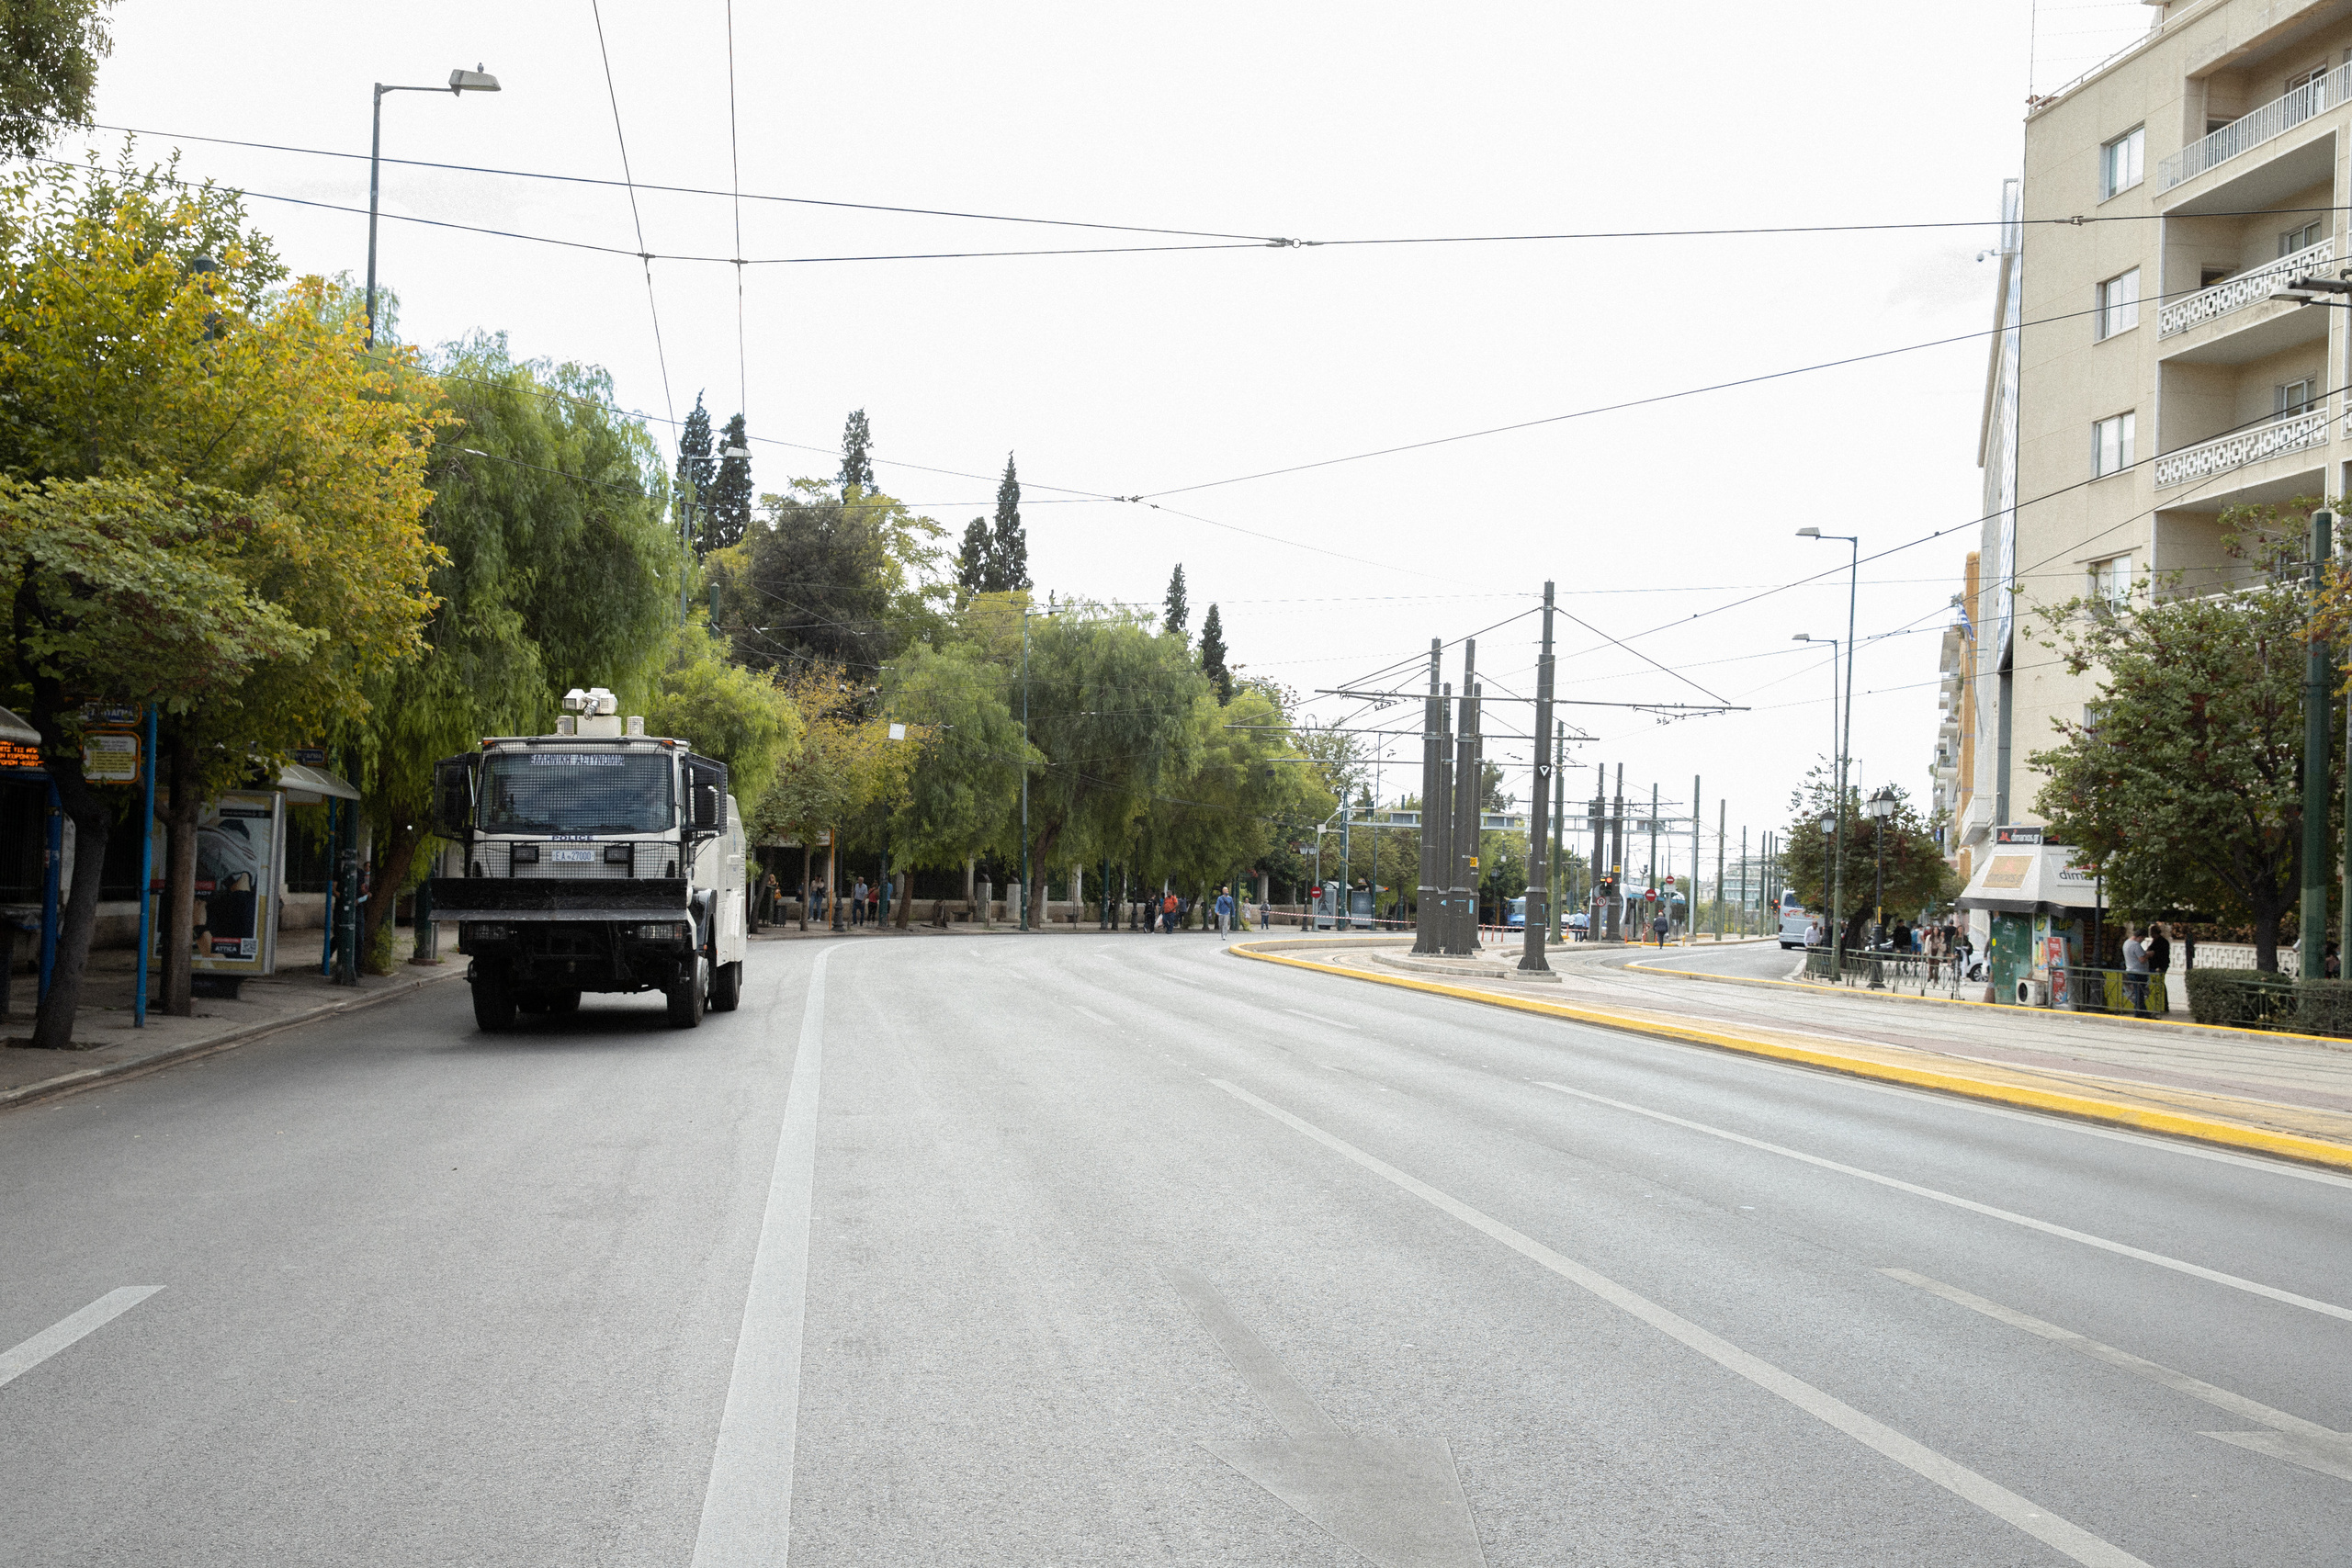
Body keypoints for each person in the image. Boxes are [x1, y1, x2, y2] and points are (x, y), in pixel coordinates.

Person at [2121, 925, 2150, 1014]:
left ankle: (2142, 1011)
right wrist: (2149, 954)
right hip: (2138, 972)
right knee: (2140, 993)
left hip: (2130, 971)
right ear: (2140, 937)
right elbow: (2142, 959)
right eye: (2143, 938)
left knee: (2138, 993)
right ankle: (2140, 1012)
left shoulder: (2126, 943)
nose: (2143, 940)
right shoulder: (2136, 945)